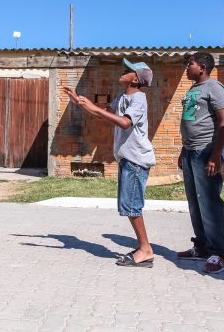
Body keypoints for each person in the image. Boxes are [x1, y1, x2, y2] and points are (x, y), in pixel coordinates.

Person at [64, 59, 156, 267]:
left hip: (136, 159)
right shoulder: (122, 97)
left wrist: (94, 109)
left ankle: (145, 249)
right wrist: (79, 100)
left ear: (135, 79)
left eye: (128, 70)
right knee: (128, 204)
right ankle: (144, 248)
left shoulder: (139, 99)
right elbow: (102, 115)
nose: (123, 72)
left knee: (132, 205)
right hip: (127, 158)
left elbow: (124, 122)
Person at [176, 52, 224, 274]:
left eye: (190, 64)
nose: (187, 68)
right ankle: (201, 246)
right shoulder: (193, 89)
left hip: (206, 150)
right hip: (190, 151)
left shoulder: (214, 87)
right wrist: (183, 150)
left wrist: (216, 155)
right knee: (194, 202)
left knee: (209, 202)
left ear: (203, 66)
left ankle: (219, 253)